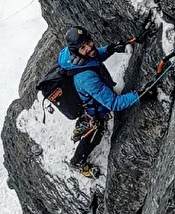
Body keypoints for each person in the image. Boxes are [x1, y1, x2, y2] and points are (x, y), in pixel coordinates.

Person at [59, 27, 139, 178]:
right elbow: (114, 104)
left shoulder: (76, 58)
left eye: (88, 42)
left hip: (88, 101)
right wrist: (140, 96)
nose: (89, 47)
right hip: (96, 109)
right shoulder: (86, 78)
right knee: (95, 134)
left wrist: (111, 49)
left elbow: (94, 57)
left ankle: (81, 127)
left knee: (89, 115)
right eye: (83, 47)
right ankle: (76, 162)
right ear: (76, 51)